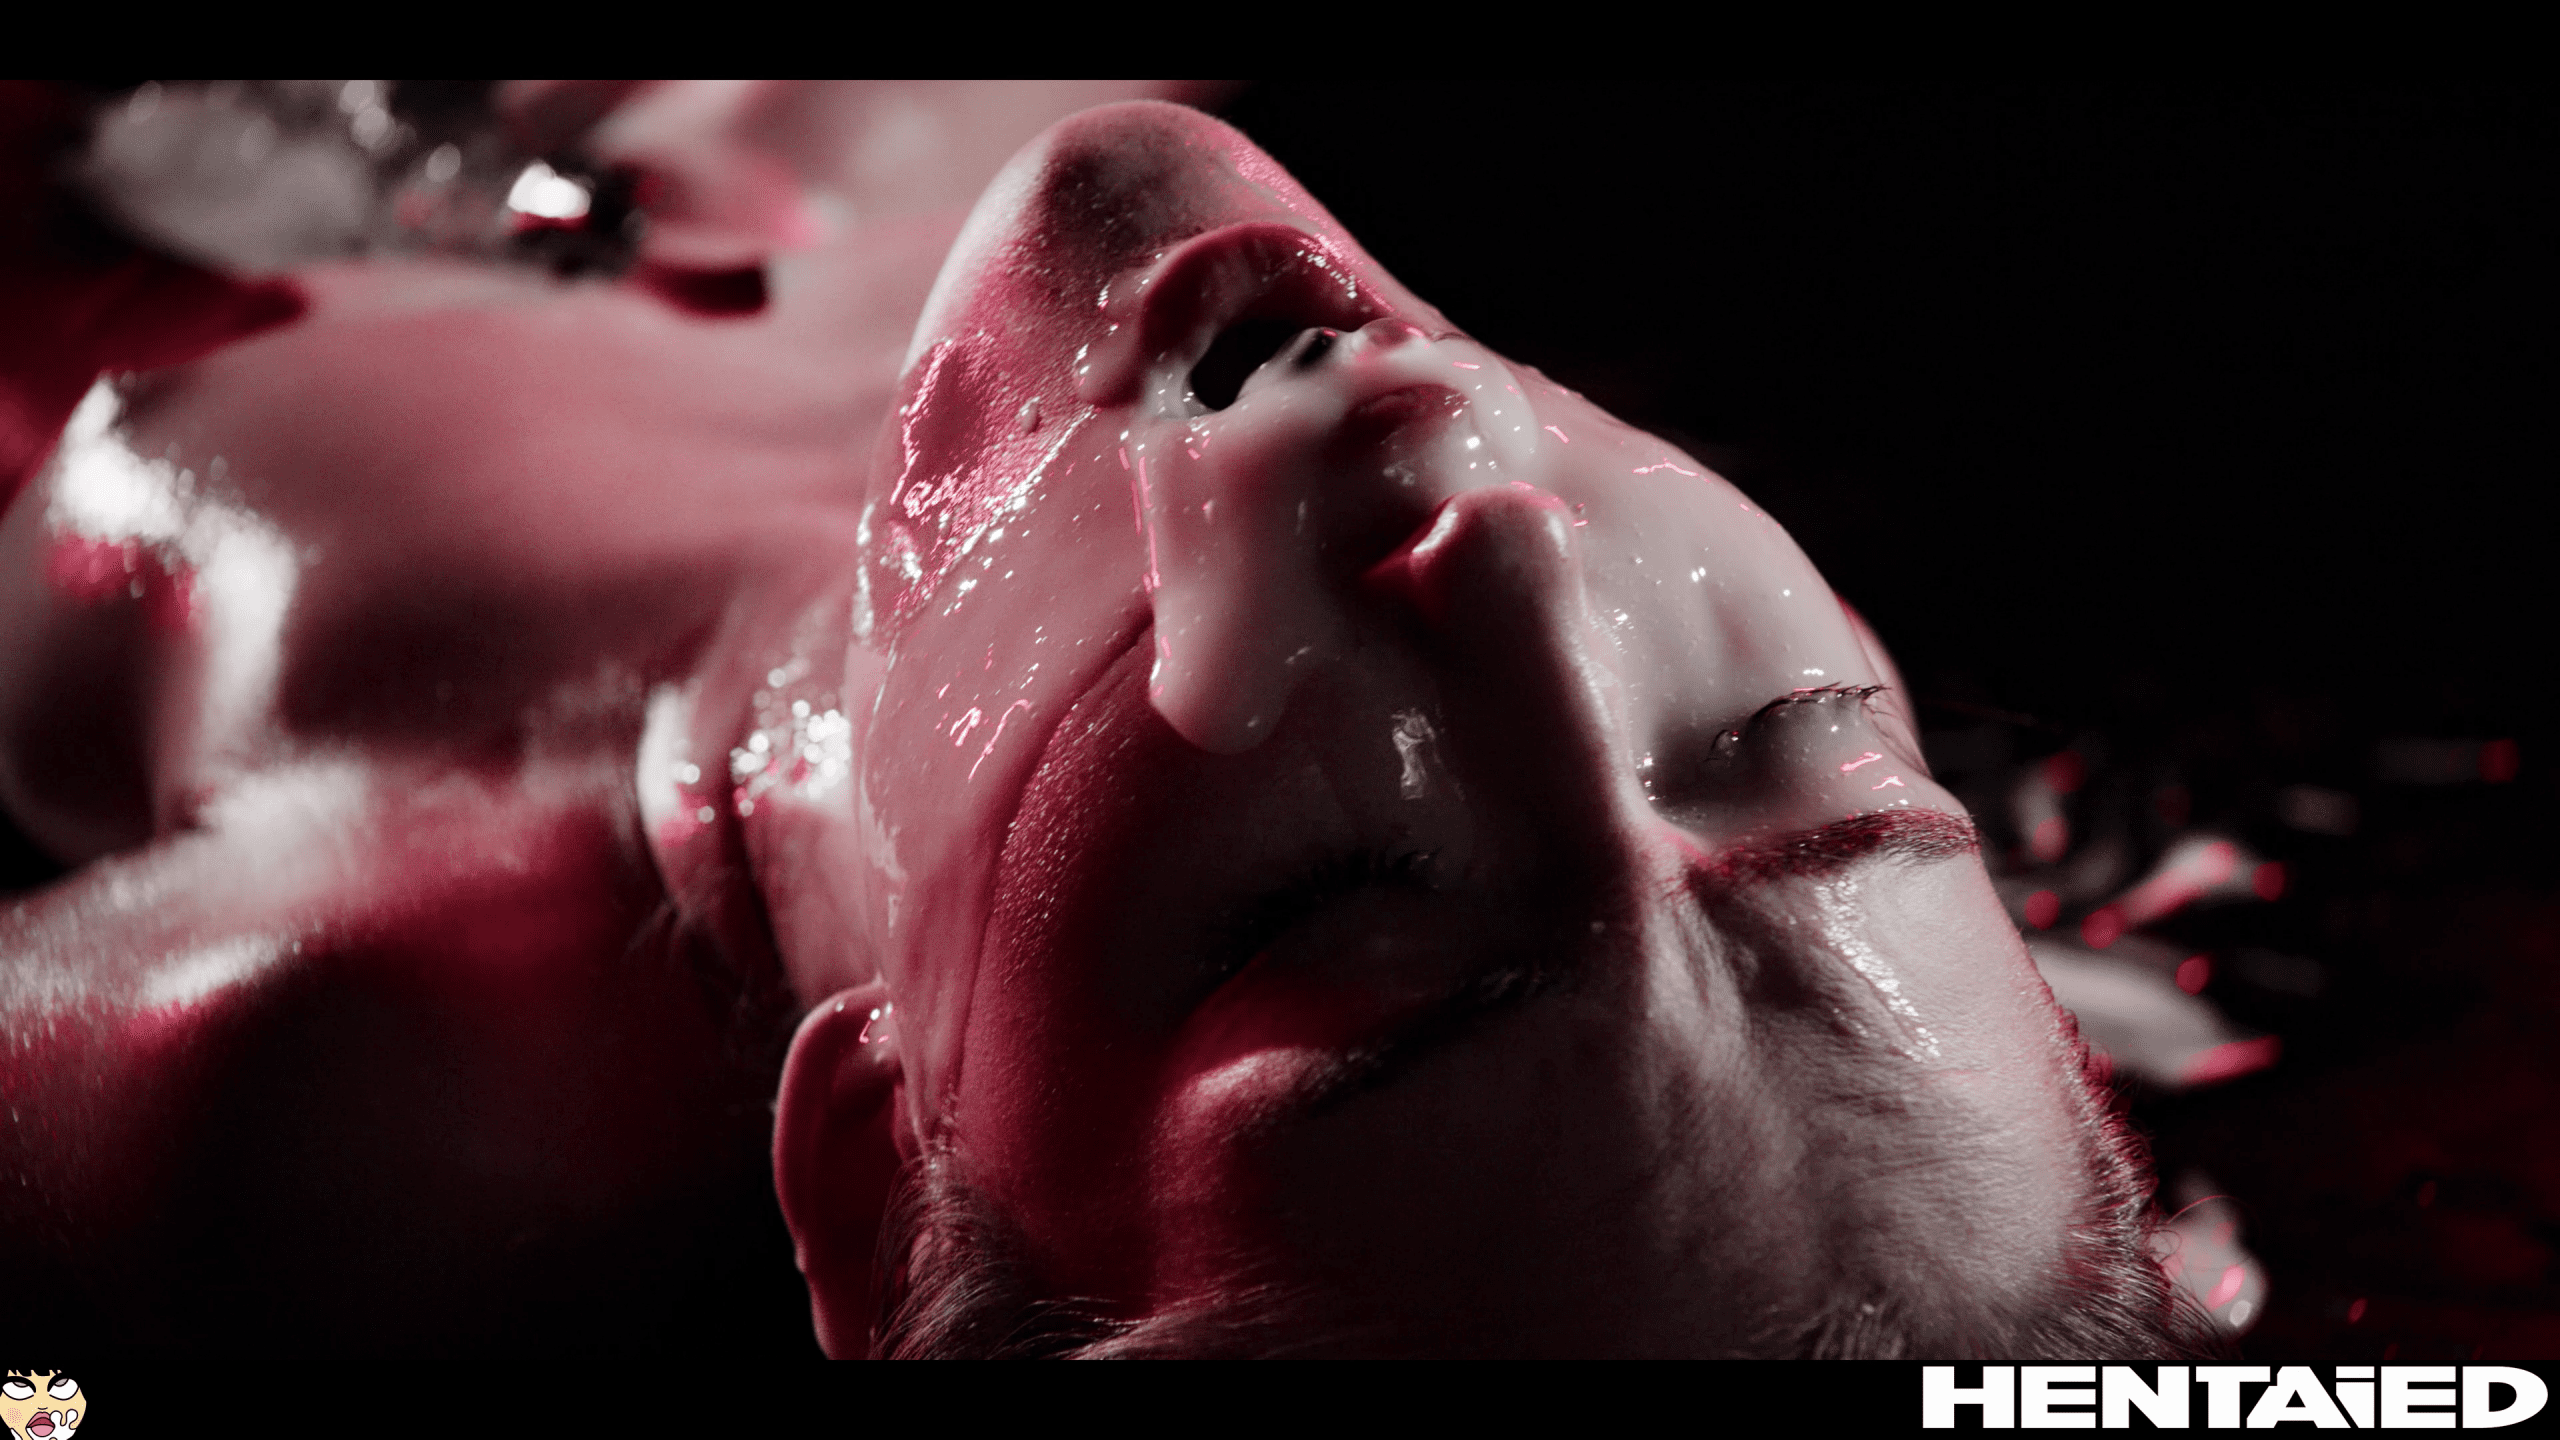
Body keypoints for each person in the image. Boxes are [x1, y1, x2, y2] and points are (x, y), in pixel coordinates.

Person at [0, 90, 2214, 1357]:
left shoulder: (311, 1047)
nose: (1515, 557)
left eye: (1341, 896)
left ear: (887, 1163)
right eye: (1786, 738)